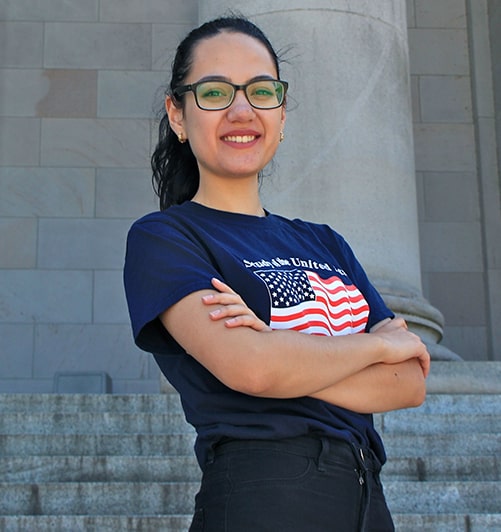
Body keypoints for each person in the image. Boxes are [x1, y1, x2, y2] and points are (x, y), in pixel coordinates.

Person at [124, 15, 430, 532]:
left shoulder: (325, 241)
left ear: (282, 114)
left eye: (261, 91)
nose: (241, 110)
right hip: (264, 496)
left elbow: (408, 382)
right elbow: (252, 370)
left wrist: (278, 347)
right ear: (178, 115)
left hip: (366, 499)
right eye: (215, 91)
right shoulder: (167, 239)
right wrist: (375, 347)